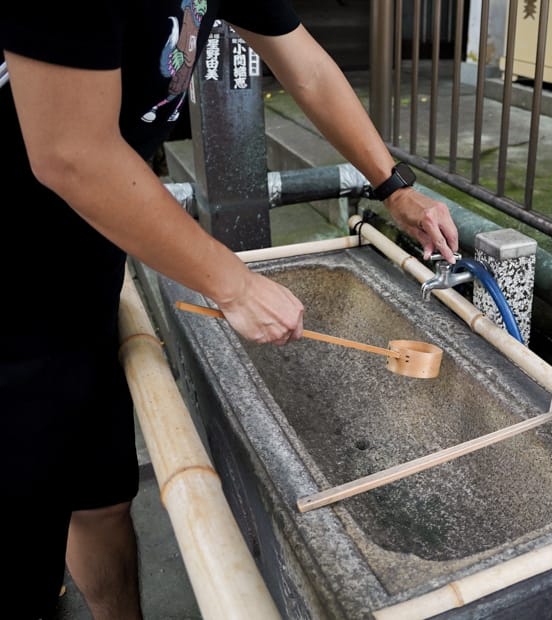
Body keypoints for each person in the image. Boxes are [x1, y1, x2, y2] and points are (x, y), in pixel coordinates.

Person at [0, 2, 459, 618]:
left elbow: (309, 68)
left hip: (83, 267)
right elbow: (70, 153)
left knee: (101, 498)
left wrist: (394, 188)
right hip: (9, 290)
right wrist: (234, 286)